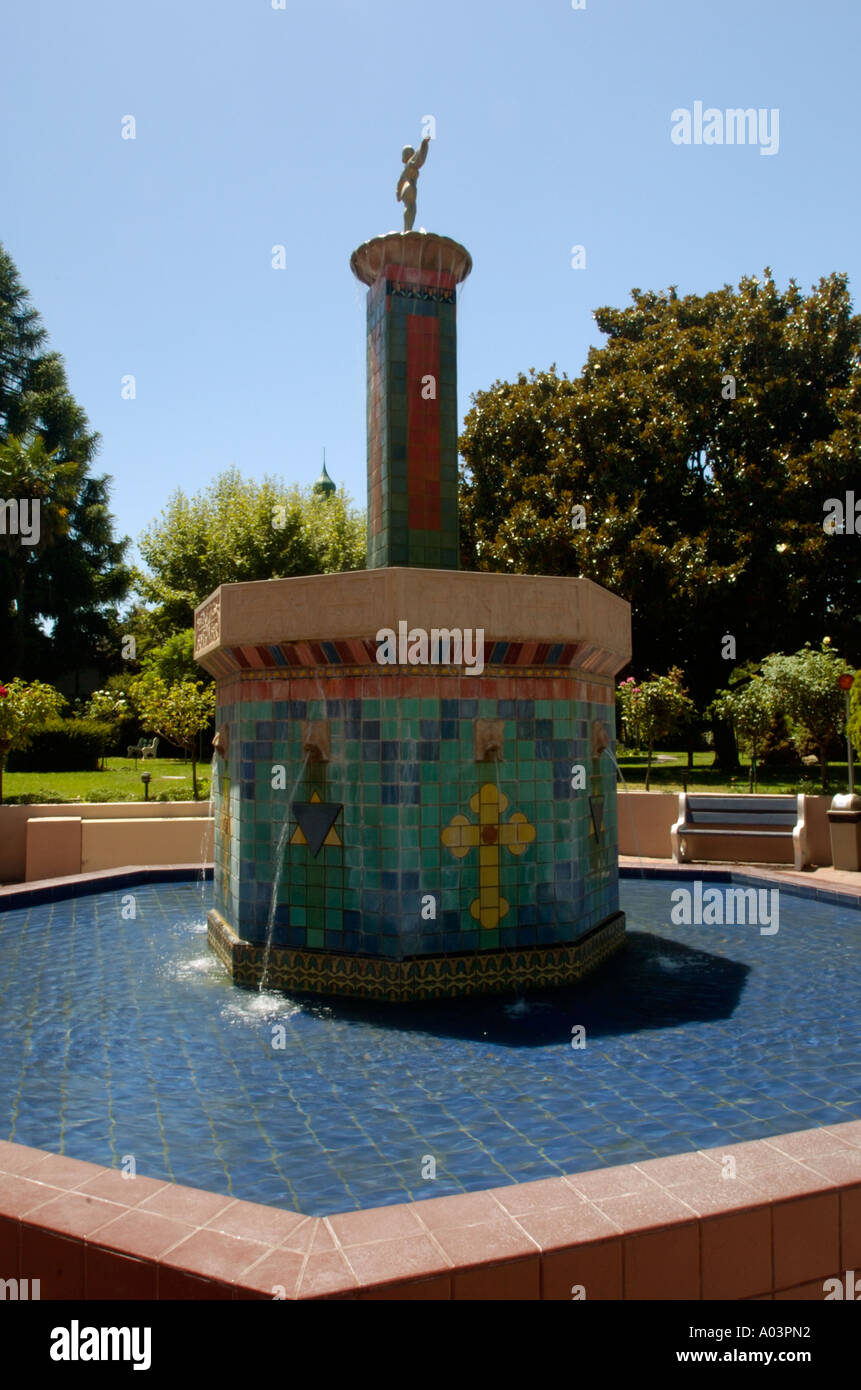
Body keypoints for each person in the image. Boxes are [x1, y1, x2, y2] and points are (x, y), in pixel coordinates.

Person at [396, 135, 431, 231]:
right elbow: (419, 156)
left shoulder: (405, 169)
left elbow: (399, 182)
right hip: (410, 186)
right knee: (412, 207)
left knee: (408, 206)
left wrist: (398, 193)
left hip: (404, 189)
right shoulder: (411, 163)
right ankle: (408, 229)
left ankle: (406, 228)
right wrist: (424, 143)